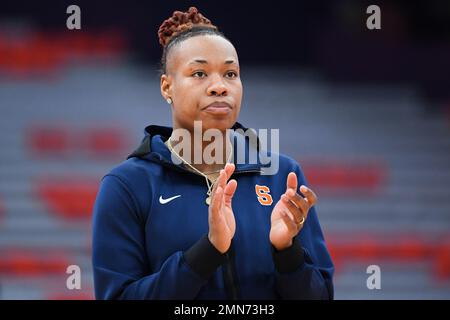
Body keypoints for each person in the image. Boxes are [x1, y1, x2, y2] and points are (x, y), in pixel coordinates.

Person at [92, 6, 334, 300]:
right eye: (199, 73)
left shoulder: (282, 175)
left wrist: (287, 253)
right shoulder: (128, 186)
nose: (219, 87)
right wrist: (208, 252)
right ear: (167, 87)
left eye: (230, 73)